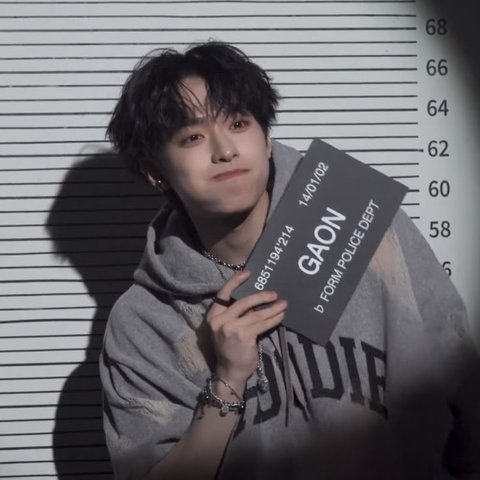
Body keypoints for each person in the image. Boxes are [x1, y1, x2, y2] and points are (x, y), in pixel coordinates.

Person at [99, 41, 480, 480]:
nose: (225, 150)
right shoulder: (143, 322)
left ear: (266, 137)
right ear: (155, 171)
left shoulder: (362, 223)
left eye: (238, 123)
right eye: (192, 137)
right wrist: (227, 382)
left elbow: (460, 376)